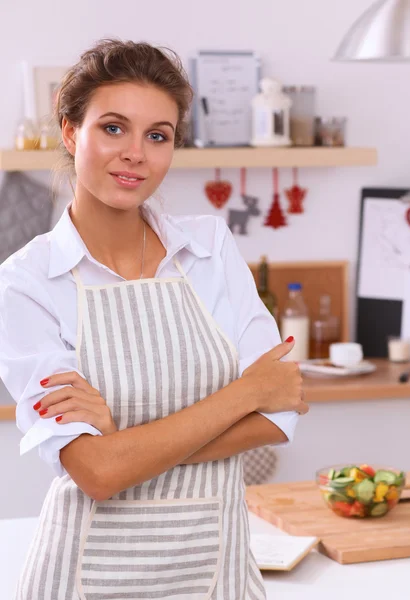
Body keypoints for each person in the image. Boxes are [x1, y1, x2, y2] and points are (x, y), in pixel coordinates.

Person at [0, 38, 308, 600]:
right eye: (113, 128)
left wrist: (123, 447)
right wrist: (244, 392)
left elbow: (279, 415)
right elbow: (94, 475)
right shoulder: (25, 283)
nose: (135, 153)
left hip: (218, 573)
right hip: (84, 575)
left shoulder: (210, 248)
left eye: (157, 136)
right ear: (70, 131)